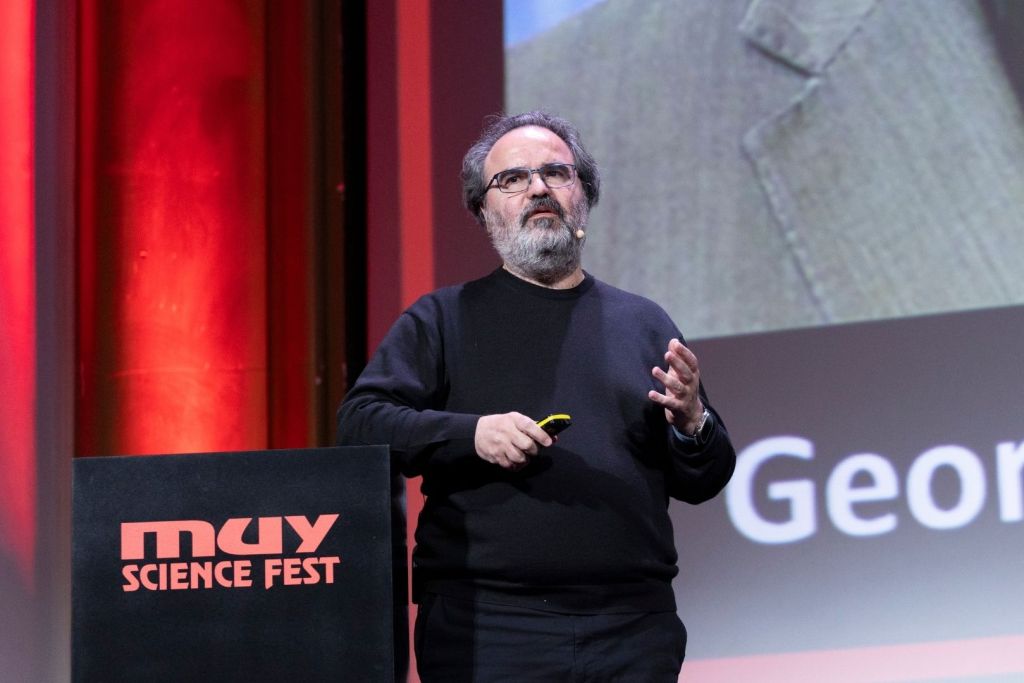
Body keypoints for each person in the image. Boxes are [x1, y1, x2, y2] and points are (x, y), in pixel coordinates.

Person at [336, 111, 736, 681]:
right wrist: (470, 435)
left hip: (633, 628)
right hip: (490, 627)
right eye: (513, 179)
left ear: (583, 199)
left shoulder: (643, 322)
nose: (538, 188)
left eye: (556, 173)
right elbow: (361, 425)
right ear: (483, 210)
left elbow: (705, 480)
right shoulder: (442, 319)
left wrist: (694, 422)